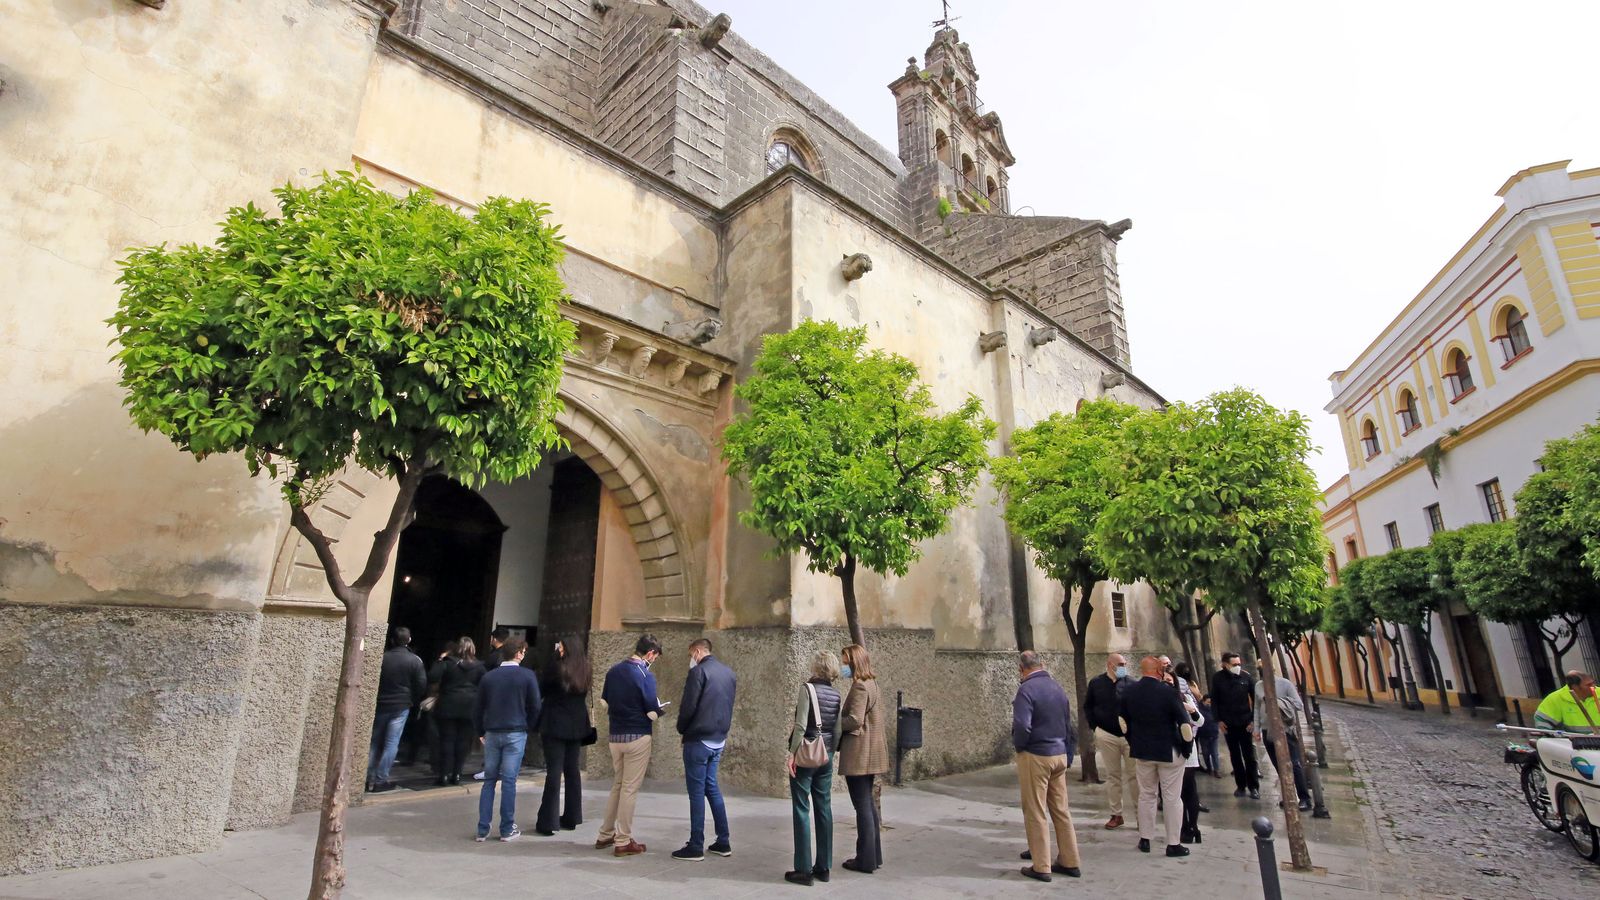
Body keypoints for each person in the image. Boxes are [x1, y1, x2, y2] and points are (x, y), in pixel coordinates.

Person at [1011, 651, 1082, 883]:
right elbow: (1068, 724)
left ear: (1022, 669)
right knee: (1061, 810)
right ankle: (1070, 860)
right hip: (1059, 754)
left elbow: (1022, 725)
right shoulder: (1056, 688)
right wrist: (1068, 753)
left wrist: (1020, 746)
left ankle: (1041, 865)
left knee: (1035, 810)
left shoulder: (1026, 690)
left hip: (1037, 755)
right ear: (1042, 665)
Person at [596, 633, 664, 857]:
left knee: (618, 785)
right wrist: (660, 709)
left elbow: (605, 702)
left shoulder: (614, 670)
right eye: (655, 656)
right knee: (629, 789)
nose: (654, 660)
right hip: (637, 736)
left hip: (616, 736)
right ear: (651, 653)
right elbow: (651, 711)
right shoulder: (645, 675)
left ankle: (605, 834)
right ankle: (623, 840)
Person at [1119, 656, 1192, 858]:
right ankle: (1173, 843)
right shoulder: (1168, 692)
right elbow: (1184, 723)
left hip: (1143, 751)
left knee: (1147, 795)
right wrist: (1187, 748)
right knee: (1171, 798)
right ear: (1158, 670)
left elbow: (1123, 722)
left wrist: (1133, 742)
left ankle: (1145, 838)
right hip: (1168, 750)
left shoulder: (1129, 692)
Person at [673, 637, 737, 861]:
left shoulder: (698, 673)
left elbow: (688, 706)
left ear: (698, 652)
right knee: (712, 788)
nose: (691, 659)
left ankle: (696, 845)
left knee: (697, 793)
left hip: (698, 739)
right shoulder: (728, 673)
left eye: (692, 655)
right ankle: (723, 840)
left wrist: (681, 728)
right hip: (718, 738)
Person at [472, 637, 542, 842]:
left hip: (492, 732)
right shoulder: (527, 676)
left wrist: (480, 731)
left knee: (489, 781)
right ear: (519, 653)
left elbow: (478, 708)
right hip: (516, 732)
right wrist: (529, 725)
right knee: (509, 781)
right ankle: (506, 828)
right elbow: (535, 706)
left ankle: (482, 829)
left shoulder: (489, 677)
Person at [785, 649, 843, 886]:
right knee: (824, 808)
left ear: (816, 667)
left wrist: (792, 754)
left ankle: (803, 869)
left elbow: (800, 725)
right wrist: (830, 750)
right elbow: (838, 729)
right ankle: (824, 866)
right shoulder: (836, 694)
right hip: (826, 755)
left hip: (806, 752)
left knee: (801, 807)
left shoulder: (806, 689)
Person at [837, 644, 889, 875]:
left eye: (845, 662)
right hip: (871, 752)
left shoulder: (859, 686)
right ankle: (873, 856)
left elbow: (855, 720)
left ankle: (864, 859)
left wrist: (832, 724)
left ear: (855, 662)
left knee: (862, 806)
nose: (843, 666)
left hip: (860, 754)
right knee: (867, 804)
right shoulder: (872, 683)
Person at [535, 635, 592, 835]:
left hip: (555, 723)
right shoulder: (585, 669)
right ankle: (572, 816)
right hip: (576, 725)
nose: (558, 648)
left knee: (554, 772)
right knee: (572, 770)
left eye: (560, 646)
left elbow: (542, 689)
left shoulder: (556, 669)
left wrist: (553, 659)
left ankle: (548, 821)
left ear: (565, 649)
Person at [367, 626, 426, 793]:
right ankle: (380, 779)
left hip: (381, 703)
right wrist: (412, 699)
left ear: (392, 640)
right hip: (401, 705)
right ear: (409, 640)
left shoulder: (382, 658)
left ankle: (365, 778)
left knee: (374, 742)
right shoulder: (415, 660)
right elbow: (421, 685)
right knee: (391, 743)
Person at [1082, 652, 1136, 830]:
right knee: (1113, 776)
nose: (1123, 666)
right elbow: (1088, 706)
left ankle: (1140, 813)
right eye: (1120, 663)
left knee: (1135, 776)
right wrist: (1095, 727)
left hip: (1129, 736)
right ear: (1110, 665)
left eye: (1125, 664)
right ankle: (1116, 814)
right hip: (1107, 735)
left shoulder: (1131, 684)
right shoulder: (1097, 683)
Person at [1254, 659, 1311, 811]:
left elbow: (1298, 704)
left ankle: (1304, 798)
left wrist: (1277, 702)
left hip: (1286, 729)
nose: (1262, 671)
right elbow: (1257, 708)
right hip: (1268, 731)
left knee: (1294, 764)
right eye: (1259, 668)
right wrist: (1256, 729)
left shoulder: (1285, 684)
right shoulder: (1258, 686)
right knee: (1278, 765)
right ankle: (1288, 795)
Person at [432, 636, 486, 786]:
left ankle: (443, 775)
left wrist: (440, 660)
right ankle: (456, 774)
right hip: (469, 707)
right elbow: (484, 686)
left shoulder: (448, 663)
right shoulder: (480, 667)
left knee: (446, 741)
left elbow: (433, 677)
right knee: (463, 742)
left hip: (448, 705)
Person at [1210, 651, 1259, 799]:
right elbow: (1215, 701)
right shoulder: (1217, 679)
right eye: (1234, 664)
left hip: (1245, 722)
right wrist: (1218, 720)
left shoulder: (1246, 677)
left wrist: (1253, 720)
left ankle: (1254, 787)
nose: (1237, 666)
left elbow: (1256, 699)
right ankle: (1241, 786)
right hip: (1228, 724)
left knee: (1249, 756)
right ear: (1225, 664)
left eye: (1239, 664)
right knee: (1235, 756)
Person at [1172, 660, 1207, 843]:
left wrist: (1191, 709)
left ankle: (1192, 827)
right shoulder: (1163, 698)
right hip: (1169, 748)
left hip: (1187, 747)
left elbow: (1200, 721)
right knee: (1174, 793)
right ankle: (1183, 826)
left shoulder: (1186, 698)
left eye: (1171, 682)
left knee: (1188, 789)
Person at [1534, 671, 1600, 733]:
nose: (1593, 686)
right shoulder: (1556, 698)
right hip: (1572, 742)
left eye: (1593, 683)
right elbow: (1542, 720)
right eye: (1589, 685)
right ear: (1575, 687)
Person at [1196, 694, 1221, 776]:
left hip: (1214, 734)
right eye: (1208, 702)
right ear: (1203, 701)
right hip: (1204, 735)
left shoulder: (1215, 709)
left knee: (1214, 753)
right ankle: (1209, 768)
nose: (1209, 704)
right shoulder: (1199, 709)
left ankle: (1216, 770)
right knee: (1205, 753)